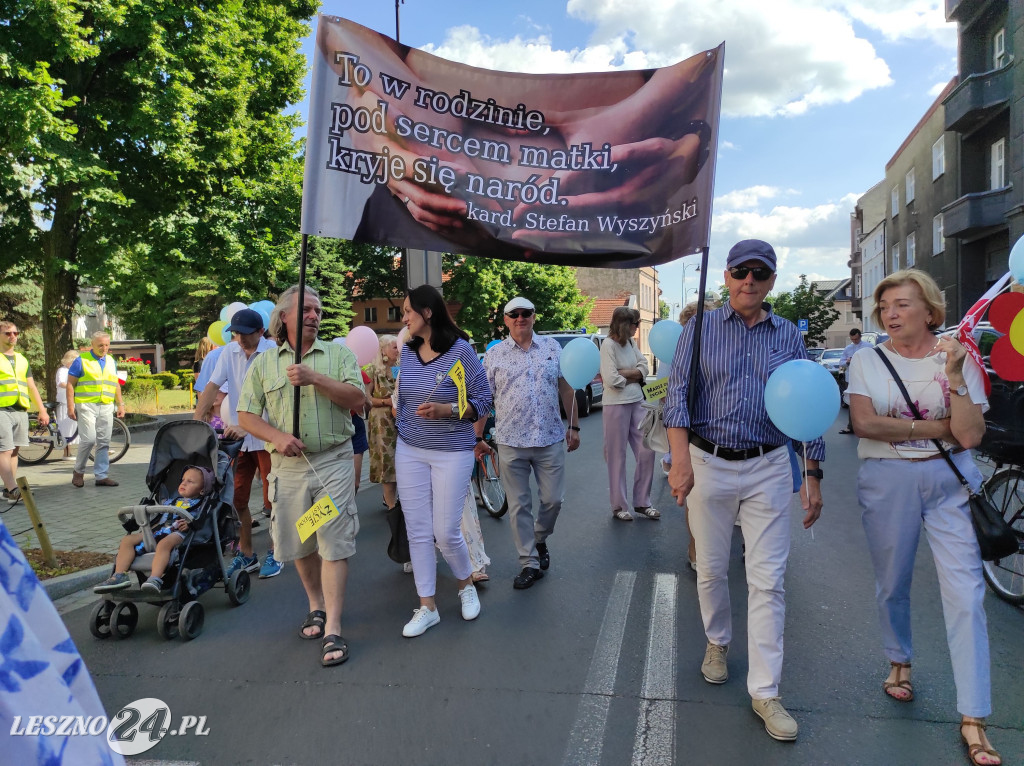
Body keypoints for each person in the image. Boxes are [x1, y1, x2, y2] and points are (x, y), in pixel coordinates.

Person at [663, 239, 824, 742]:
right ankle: (717, 640)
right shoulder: (700, 329)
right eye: (740, 271)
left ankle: (766, 690)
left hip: (769, 465)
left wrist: (812, 473)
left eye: (759, 272)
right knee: (711, 569)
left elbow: (808, 400)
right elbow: (677, 397)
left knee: (767, 580)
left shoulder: (788, 335)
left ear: (772, 280)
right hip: (709, 462)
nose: (748, 280)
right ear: (726, 276)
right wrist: (680, 462)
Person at [847, 270, 1000, 766]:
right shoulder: (868, 359)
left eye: (902, 304)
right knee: (893, 580)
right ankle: (899, 659)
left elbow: (970, 436)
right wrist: (938, 426)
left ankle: (974, 716)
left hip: (949, 481)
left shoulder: (958, 358)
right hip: (886, 480)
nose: (890, 313)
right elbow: (865, 423)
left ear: (930, 311)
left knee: (967, 594)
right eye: (885, 306)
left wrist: (954, 379)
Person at [237, 285, 367, 667]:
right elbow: (246, 415)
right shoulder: (264, 364)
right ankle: (316, 605)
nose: (314, 315)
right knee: (301, 540)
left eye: (318, 310)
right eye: (307, 309)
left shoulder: (339, 355)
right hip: (288, 470)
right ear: (285, 317)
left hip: (333, 464)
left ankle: (334, 627)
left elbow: (357, 400)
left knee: (333, 539)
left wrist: (314, 379)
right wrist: (277, 437)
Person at [394, 284, 492, 637]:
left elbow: (483, 400)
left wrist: (448, 409)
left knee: (446, 531)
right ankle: (427, 607)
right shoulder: (408, 352)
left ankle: (465, 585)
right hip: (410, 450)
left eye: (408, 311)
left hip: (452, 451)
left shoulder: (461, 351)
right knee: (418, 531)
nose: (404, 318)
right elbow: (403, 398)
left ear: (428, 312)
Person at [479, 296, 580, 589]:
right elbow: (484, 399)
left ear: (534, 316)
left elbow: (566, 388)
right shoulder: (494, 355)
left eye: (526, 313)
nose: (520, 318)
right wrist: (477, 436)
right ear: (506, 320)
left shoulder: (552, 347)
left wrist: (573, 426)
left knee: (553, 500)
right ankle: (529, 563)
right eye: (514, 314)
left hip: (549, 438)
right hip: (511, 441)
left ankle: (539, 537)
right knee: (519, 505)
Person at [194, 309, 281, 580]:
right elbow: (211, 387)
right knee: (237, 498)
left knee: (273, 499)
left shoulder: (273, 353)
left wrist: (249, 426)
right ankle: (247, 553)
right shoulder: (229, 352)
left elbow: (275, 397)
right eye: (236, 334)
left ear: (260, 332)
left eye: (245, 334)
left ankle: (277, 553)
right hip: (238, 439)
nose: (240, 339)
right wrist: (196, 423)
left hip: (266, 436)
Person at [661, 300, 720, 571]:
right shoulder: (679, 353)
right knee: (696, 499)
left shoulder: (724, 349)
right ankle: (696, 547)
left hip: (725, 437)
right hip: (693, 436)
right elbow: (668, 395)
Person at [93, 465, 214, 593]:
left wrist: (190, 524)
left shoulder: (202, 505)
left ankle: (155, 578)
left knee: (164, 544)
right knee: (127, 540)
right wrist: (146, 510)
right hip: (160, 531)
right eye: (183, 480)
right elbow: (158, 516)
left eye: (190, 481)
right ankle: (119, 575)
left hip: (180, 533)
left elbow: (203, 520)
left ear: (202, 490)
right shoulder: (170, 501)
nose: (184, 483)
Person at [600, 306, 657, 521]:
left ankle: (642, 502)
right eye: (636, 323)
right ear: (625, 324)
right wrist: (635, 375)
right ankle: (619, 505)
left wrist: (628, 374)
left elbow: (644, 368)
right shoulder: (608, 345)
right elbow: (611, 379)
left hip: (637, 401)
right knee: (616, 456)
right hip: (615, 405)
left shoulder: (631, 343)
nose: (637, 327)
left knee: (647, 450)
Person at [66, 331, 124, 488]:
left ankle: (101, 476)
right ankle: (78, 472)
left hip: (106, 405)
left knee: (104, 441)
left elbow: (116, 383)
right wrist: (70, 406)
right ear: (92, 345)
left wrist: (120, 404)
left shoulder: (111, 361)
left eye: (106, 345)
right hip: (86, 405)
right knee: (89, 439)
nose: (104, 348)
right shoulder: (81, 360)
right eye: (100, 345)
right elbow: (70, 384)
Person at [0, 321, 49, 503]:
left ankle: (8, 490)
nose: (12, 336)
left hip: (20, 408)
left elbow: (31, 386)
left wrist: (42, 409)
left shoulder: (22, 359)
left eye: (15, 333)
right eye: (7, 333)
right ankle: (13, 489)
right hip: (1, 410)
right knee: (4, 450)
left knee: (14, 451)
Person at [367, 334, 399, 512]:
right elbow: (366, 398)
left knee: (400, 459)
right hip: (381, 422)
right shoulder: (373, 370)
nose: (398, 350)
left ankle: (392, 498)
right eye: (394, 347)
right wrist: (386, 401)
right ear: (383, 350)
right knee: (387, 459)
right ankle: (391, 506)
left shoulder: (398, 368)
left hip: (399, 420)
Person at [838, 328, 873, 434]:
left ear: (860, 337)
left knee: (868, 401)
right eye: (852, 339)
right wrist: (847, 361)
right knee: (851, 402)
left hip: (865, 377)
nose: (854, 341)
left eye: (856, 339)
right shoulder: (848, 348)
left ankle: (868, 425)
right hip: (851, 378)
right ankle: (851, 426)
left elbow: (874, 361)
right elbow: (841, 363)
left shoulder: (869, 347)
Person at [54, 350, 79, 458]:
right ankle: (66, 452)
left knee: (73, 425)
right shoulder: (62, 370)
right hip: (64, 401)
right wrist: (71, 385)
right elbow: (61, 383)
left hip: (73, 400)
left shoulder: (74, 371)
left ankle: (70, 450)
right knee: (65, 425)